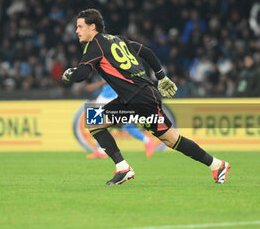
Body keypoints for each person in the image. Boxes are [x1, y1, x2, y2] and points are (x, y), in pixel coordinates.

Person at [63, 9, 230, 185]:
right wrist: (161, 77)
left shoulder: (94, 45)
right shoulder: (118, 39)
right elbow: (147, 52)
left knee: (168, 138)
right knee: (99, 122)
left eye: (80, 26)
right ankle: (216, 165)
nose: (77, 31)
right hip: (139, 96)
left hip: (138, 97)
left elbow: (81, 74)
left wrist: (68, 74)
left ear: (92, 27)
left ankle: (216, 165)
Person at [84, 78, 155, 159]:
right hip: (103, 97)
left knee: (121, 124)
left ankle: (147, 140)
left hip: (114, 97)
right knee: (95, 123)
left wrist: (100, 84)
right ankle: (101, 151)